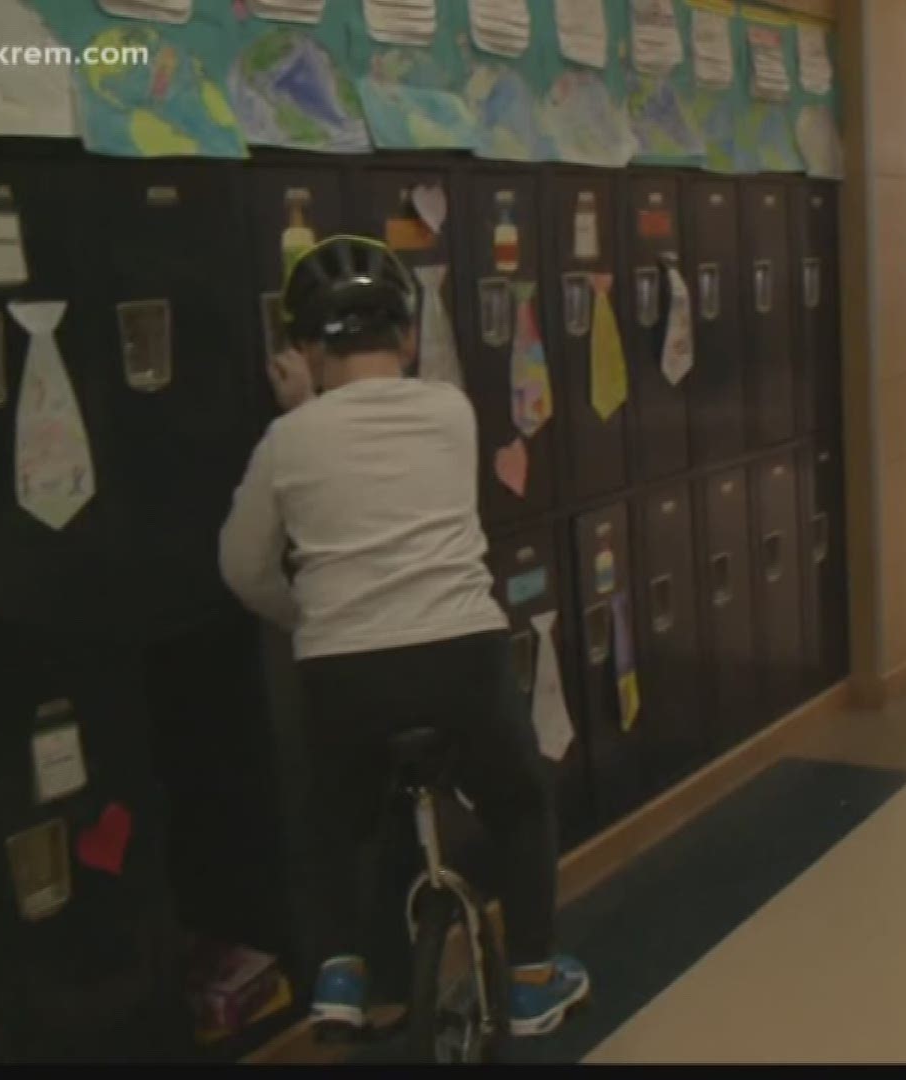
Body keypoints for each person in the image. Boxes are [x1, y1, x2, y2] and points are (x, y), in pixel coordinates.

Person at [218, 235, 590, 1037]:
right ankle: (530, 978)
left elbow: (242, 567)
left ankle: (341, 971)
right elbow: (382, 457)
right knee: (520, 802)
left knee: (339, 817)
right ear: (411, 339)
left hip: (343, 673)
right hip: (461, 657)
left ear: (308, 350)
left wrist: (305, 615)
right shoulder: (451, 411)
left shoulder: (289, 441)